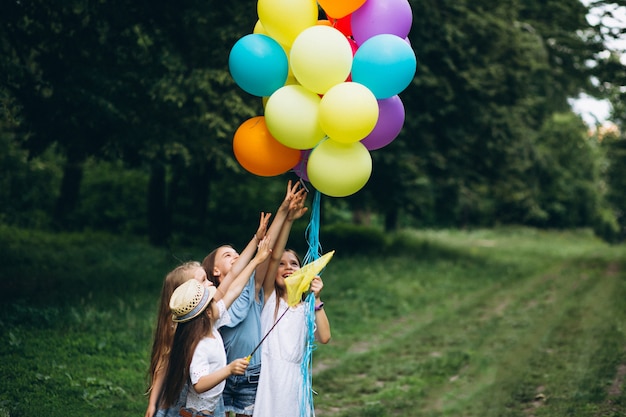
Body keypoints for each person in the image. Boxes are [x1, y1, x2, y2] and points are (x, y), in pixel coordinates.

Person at [201, 180, 308, 417]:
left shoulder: (253, 287)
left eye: (237, 254)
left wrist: (283, 211)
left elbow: (269, 253)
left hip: (251, 373)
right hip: (221, 372)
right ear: (215, 272)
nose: (237, 257)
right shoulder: (213, 300)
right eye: (229, 255)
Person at [160, 236, 272, 417]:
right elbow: (199, 383)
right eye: (212, 299)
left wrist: (257, 261)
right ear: (207, 313)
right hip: (200, 413)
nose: (219, 299)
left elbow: (234, 289)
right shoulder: (199, 345)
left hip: (212, 408)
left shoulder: (212, 324)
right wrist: (228, 370)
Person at [252, 207, 331, 417]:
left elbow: (324, 337)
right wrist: (288, 220)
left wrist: (318, 299)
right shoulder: (269, 298)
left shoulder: (307, 309)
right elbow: (274, 255)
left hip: (295, 379)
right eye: (282, 264)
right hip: (270, 379)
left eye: (294, 264)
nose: (288, 267)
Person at [145, 261, 215, 417]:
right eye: (203, 280)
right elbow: (163, 366)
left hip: (205, 399)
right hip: (179, 399)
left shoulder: (212, 314)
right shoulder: (175, 330)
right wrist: (152, 403)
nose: (210, 283)